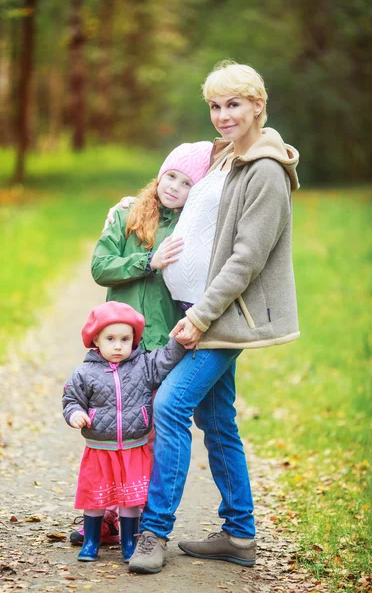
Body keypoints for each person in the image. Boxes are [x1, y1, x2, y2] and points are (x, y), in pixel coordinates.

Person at [127, 60, 300, 574]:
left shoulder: (266, 170)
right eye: (216, 106)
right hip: (196, 309)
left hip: (222, 316)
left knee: (170, 404)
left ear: (257, 106)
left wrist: (201, 317)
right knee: (217, 420)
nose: (223, 116)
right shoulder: (225, 157)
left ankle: (154, 532)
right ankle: (239, 535)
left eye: (234, 105)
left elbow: (246, 259)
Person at [69, 140, 213, 547]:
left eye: (186, 183)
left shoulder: (191, 227)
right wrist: (146, 261)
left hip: (158, 347)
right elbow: (100, 267)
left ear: (195, 193)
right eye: (171, 175)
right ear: (160, 173)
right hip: (117, 342)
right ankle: (106, 514)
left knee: (144, 435)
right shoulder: (126, 213)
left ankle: (140, 518)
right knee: (107, 429)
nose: (174, 187)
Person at [62, 301, 185, 563]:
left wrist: (178, 339)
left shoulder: (144, 366)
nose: (118, 345)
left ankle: (129, 542)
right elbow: (71, 400)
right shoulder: (84, 372)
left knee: (130, 498)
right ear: (96, 339)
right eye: (110, 338)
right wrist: (75, 415)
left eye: (125, 339)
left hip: (134, 447)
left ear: (134, 340)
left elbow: (165, 358)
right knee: (95, 496)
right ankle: (92, 541)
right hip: (100, 449)